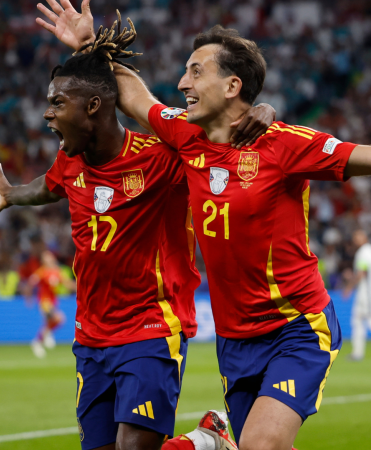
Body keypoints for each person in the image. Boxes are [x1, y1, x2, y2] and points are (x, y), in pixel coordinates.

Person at [37, 2, 371, 448]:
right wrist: (88, 45)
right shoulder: (182, 136)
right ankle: (204, 442)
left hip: (296, 323)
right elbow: (137, 97)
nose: (182, 83)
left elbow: (361, 156)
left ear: (232, 85)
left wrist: (267, 110)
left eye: (195, 73)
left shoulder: (285, 145)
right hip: (234, 338)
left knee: (260, 444)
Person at [0, 27, 273, 449]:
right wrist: (13, 194)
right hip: (91, 333)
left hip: (151, 325)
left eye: (57, 104)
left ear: (93, 107)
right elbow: (48, 187)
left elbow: (222, 136)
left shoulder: (162, 157)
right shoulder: (70, 161)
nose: (47, 115)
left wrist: (262, 111)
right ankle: (204, 442)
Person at [23, 250, 72, 358]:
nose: (49, 259)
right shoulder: (42, 272)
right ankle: (44, 338)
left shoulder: (58, 272)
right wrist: (28, 298)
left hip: (53, 302)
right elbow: (30, 284)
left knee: (53, 322)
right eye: (46, 257)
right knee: (59, 318)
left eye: (50, 256)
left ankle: (38, 341)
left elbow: (68, 285)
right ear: (43, 261)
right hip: (44, 302)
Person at [346, 229, 371, 360]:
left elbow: (361, 273)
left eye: (357, 237)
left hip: (365, 293)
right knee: (358, 321)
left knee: (361, 320)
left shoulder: (363, 252)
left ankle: (357, 353)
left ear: (363, 237)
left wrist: (349, 288)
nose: (355, 240)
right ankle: (357, 353)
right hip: (366, 292)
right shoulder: (369, 250)